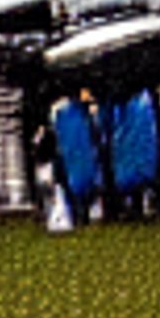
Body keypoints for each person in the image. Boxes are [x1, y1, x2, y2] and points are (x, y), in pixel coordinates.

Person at [107, 84, 160, 219]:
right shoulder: (143, 103)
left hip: (129, 151)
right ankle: (138, 205)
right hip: (136, 152)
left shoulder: (122, 106)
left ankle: (135, 205)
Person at [49, 88, 104, 223]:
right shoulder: (84, 110)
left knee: (72, 188)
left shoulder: (60, 109)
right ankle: (81, 215)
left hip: (70, 155)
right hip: (79, 156)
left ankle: (77, 215)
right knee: (81, 187)